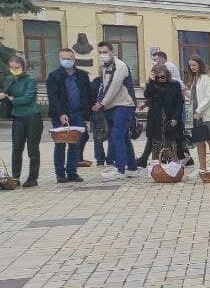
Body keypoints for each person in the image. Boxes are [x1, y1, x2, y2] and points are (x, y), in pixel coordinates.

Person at [46, 48, 92, 184]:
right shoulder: (54, 76)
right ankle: (60, 174)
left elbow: (88, 95)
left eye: (68, 58)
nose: (65, 60)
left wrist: (88, 112)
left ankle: (72, 172)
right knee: (60, 144)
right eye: (63, 58)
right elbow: (53, 98)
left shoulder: (82, 75)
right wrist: (60, 114)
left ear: (74, 60)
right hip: (60, 115)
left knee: (75, 144)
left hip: (78, 114)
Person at [95, 43, 140, 179]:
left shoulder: (119, 65)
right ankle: (132, 167)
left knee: (117, 135)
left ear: (112, 51)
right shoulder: (104, 68)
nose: (103, 54)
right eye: (100, 52)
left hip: (124, 104)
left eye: (105, 51)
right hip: (112, 106)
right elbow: (102, 86)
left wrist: (101, 103)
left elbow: (113, 86)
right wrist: (99, 101)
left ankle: (120, 169)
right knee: (124, 137)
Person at [2, 56, 40, 187]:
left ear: (23, 67)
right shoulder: (11, 80)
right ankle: (15, 177)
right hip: (17, 116)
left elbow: (27, 98)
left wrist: (11, 99)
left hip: (32, 116)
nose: (14, 70)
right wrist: (4, 96)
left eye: (16, 67)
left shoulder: (31, 80)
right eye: (11, 67)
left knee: (32, 148)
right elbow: (6, 94)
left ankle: (33, 178)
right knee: (16, 147)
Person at [186, 56, 210, 176]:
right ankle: (202, 168)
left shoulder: (207, 78)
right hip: (197, 115)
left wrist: (199, 110)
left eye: (194, 65)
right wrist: (184, 91)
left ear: (200, 65)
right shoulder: (195, 78)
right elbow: (195, 97)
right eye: (190, 65)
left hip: (209, 115)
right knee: (199, 141)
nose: (192, 68)